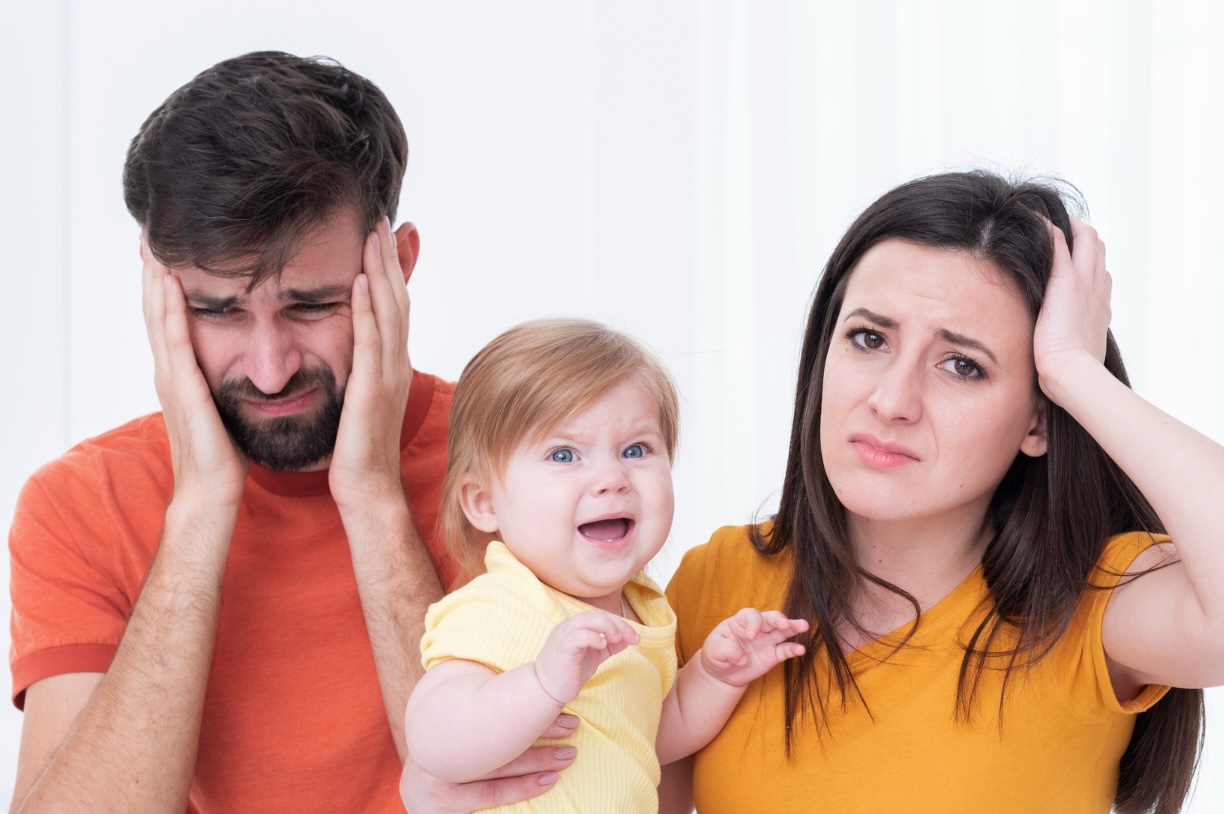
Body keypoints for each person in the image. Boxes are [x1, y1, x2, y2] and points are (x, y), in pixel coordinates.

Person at [7, 51, 569, 813]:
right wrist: (200, 509)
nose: (270, 371)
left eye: (310, 305)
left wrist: (372, 498)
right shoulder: (81, 504)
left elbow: (518, 802)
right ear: (157, 292)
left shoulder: (537, 467)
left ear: (397, 269)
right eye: (217, 311)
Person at [658, 170, 1223, 813]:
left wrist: (1075, 372)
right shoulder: (717, 583)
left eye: (962, 365)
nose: (891, 400)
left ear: (1038, 418)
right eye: (869, 339)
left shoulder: (1090, 605)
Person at [402, 318, 807, 813]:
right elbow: (433, 737)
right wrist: (542, 684)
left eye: (635, 450)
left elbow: (646, 738)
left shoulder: (645, 610)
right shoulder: (502, 603)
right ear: (485, 502)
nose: (612, 478)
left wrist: (715, 677)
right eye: (565, 454)